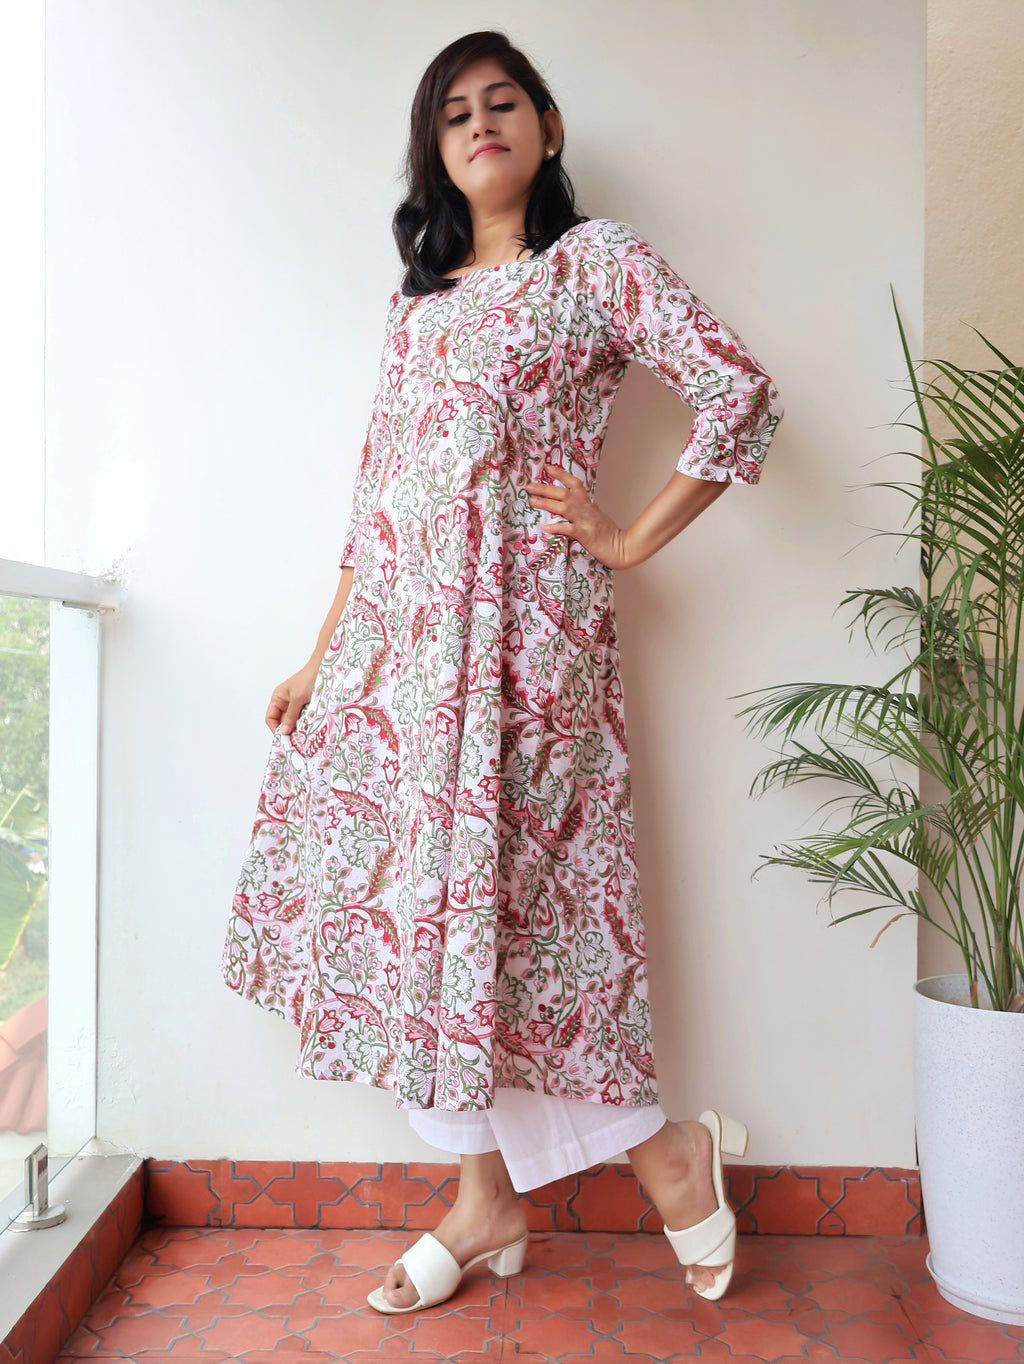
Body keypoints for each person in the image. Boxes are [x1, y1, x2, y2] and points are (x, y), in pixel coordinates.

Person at [220, 28, 784, 1315]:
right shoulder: (414, 310)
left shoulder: (595, 264)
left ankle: (658, 1152)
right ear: (433, 148)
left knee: (540, 916)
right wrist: (323, 661)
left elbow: (736, 391)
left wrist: (629, 535)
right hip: (407, 658)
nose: (480, 124)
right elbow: (379, 503)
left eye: (504, 102)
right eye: (454, 112)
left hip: (535, 643)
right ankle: (485, 1197)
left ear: (548, 127)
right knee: (437, 917)